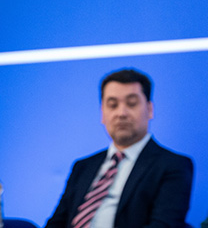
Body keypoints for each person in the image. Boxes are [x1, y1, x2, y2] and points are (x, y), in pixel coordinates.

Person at [45, 68, 194, 228]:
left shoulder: (173, 165)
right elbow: (57, 223)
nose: (121, 113)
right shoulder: (83, 167)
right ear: (102, 113)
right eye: (113, 105)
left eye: (131, 104)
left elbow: (163, 225)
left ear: (150, 109)